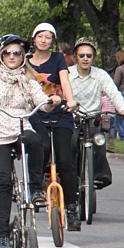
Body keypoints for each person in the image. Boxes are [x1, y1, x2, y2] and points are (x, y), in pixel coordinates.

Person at [0, 34, 61, 248]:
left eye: (17, 53)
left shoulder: (27, 79)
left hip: (22, 128)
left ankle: (35, 189)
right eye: (8, 53)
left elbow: (41, 102)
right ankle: (3, 235)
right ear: (1, 56)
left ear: (23, 57)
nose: (12, 56)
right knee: (4, 182)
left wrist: (51, 102)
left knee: (36, 142)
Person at [26, 23, 80, 231]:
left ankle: (72, 209)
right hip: (35, 113)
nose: (44, 40)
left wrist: (71, 100)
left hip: (60, 113)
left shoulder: (58, 59)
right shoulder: (26, 62)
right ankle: (37, 188)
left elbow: (65, 81)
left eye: (48, 37)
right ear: (34, 39)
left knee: (66, 161)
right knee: (41, 147)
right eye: (41, 36)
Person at [68, 38, 124, 187]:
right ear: (76, 56)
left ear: (93, 57)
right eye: (81, 55)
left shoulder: (100, 75)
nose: (85, 59)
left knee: (99, 141)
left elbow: (113, 93)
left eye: (89, 56)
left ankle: (100, 175)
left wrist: (122, 109)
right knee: (70, 143)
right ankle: (69, 175)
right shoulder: (68, 73)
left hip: (92, 118)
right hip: (72, 117)